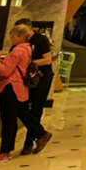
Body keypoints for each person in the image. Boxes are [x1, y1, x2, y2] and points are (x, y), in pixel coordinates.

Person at [0, 24, 51, 162]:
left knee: (9, 120)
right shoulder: (27, 49)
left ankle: (5, 152)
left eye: (13, 36)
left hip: (10, 87)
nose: (11, 39)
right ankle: (40, 133)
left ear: (20, 36)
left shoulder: (17, 51)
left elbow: (5, 72)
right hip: (20, 88)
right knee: (23, 114)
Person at [16, 19, 53, 155]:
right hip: (28, 79)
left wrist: (29, 63)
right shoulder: (22, 42)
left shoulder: (40, 40)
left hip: (41, 78)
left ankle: (29, 143)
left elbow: (47, 59)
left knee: (36, 109)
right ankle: (40, 134)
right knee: (24, 108)